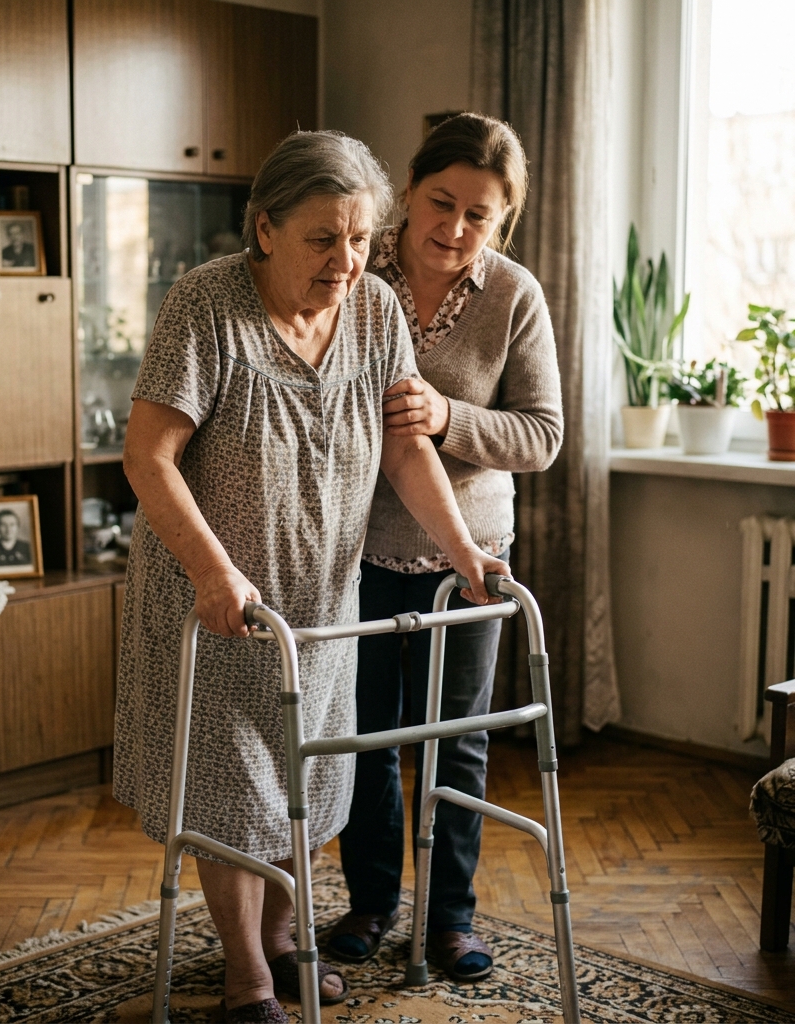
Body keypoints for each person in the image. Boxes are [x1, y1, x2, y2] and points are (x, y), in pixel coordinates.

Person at [114, 129, 510, 1023]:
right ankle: (248, 974)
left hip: (323, 595)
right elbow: (149, 457)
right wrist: (216, 575)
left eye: (361, 238)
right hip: (217, 597)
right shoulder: (205, 305)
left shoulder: (373, 309)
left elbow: (408, 451)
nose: (347, 261)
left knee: (307, 781)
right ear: (265, 229)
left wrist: (465, 554)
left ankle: (286, 940)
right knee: (234, 789)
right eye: (322, 239)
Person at [327, 112, 563, 982]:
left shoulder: (514, 295)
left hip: (470, 559)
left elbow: (542, 435)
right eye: (441, 202)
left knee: (455, 742)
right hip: (352, 555)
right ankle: (370, 903)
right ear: (408, 192)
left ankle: (448, 919)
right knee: (364, 738)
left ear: (504, 223)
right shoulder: (353, 268)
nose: (455, 229)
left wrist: (448, 416)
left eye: (481, 216)